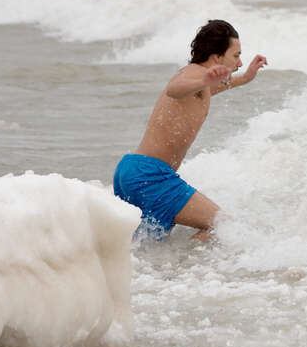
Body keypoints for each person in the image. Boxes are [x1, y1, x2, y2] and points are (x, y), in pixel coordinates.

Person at [113, 19, 267, 240]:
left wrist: (246, 78)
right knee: (221, 225)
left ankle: (158, 274)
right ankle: (184, 271)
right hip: (150, 176)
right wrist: (203, 79)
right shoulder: (192, 75)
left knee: (143, 247)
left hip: (133, 172)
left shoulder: (199, 81)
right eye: (235, 56)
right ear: (216, 57)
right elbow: (175, 90)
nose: (240, 62)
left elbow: (213, 87)